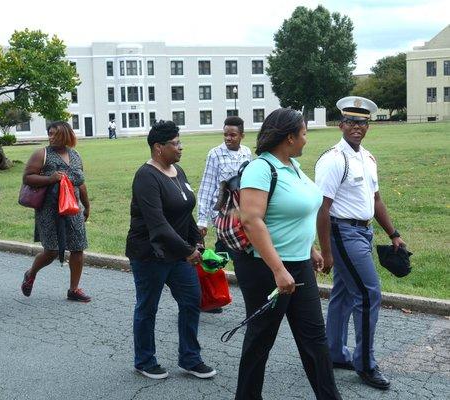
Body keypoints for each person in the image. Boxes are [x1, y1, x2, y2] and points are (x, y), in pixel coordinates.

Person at [235, 108, 342, 400]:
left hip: (300, 264)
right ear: (289, 137)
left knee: (314, 340)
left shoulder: (292, 165)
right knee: (261, 340)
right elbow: (251, 220)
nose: (307, 139)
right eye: (304, 133)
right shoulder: (260, 168)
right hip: (266, 268)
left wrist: (309, 248)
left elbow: (293, 213)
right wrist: (279, 269)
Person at [315, 96, 406, 390]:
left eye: (362, 122)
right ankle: (365, 364)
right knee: (368, 294)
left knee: (343, 292)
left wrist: (393, 233)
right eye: (351, 121)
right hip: (343, 233)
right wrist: (326, 252)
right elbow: (322, 208)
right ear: (341, 124)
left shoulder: (367, 158)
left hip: (363, 232)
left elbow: (376, 199)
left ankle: (334, 352)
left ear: (368, 125)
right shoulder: (333, 159)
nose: (357, 126)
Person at [126, 120, 216, 380]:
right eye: (175, 144)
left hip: (177, 252)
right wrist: (188, 250)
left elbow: (185, 213)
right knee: (147, 307)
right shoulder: (146, 176)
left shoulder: (178, 170)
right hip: (150, 253)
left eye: (179, 142)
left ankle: (190, 358)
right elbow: (158, 225)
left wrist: (196, 242)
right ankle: (144, 360)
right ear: (158, 147)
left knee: (191, 300)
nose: (180, 148)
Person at [20, 121, 91, 302]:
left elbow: (80, 182)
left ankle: (74, 289)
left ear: (66, 136)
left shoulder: (75, 155)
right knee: (51, 250)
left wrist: (87, 205)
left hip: (72, 208)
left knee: (78, 247)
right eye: (49, 133)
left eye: (55, 134)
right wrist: (51, 178)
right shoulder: (42, 154)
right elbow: (27, 178)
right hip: (49, 210)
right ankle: (30, 273)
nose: (51, 137)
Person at [197, 116, 251, 313]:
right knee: (223, 256)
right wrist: (202, 220)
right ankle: (212, 297)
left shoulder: (246, 152)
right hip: (223, 215)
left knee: (235, 255)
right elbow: (207, 186)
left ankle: (222, 297)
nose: (228, 138)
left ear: (242, 136)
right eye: (226, 134)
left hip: (242, 214)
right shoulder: (215, 154)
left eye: (233, 135)